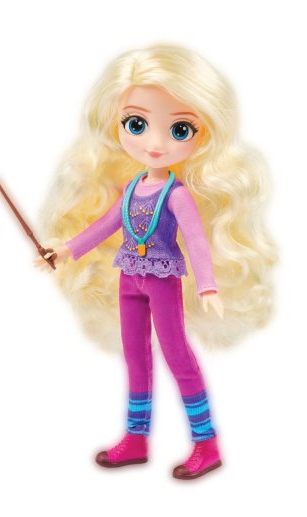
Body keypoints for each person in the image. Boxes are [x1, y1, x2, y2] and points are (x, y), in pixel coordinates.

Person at [34, 44, 278, 480]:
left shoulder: (176, 194)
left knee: (178, 355)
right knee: (135, 356)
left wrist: (207, 285)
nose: (155, 143)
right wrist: (66, 251)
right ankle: (136, 437)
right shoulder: (131, 188)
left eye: (179, 129)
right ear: (118, 125)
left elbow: (197, 241)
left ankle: (206, 442)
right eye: (137, 124)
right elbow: (104, 226)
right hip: (129, 277)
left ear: (202, 134)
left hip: (163, 281)